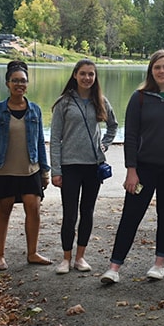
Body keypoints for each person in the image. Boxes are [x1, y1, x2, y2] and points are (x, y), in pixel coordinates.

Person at [100, 49, 164, 284]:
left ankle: (159, 264)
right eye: (157, 67)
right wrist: (131, 170)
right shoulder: (140, 97)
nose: (162, 71)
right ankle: (114, 268)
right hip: (144, 169)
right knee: (131, 216)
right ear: (151, 71)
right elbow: (131, 136)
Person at [0, 60, 52, 271]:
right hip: (3, 170)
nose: (19, 85)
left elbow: (40, 141)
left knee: (34, 209)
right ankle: (0, 255)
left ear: (28, 84)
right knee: (4, 211)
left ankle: (32, 253)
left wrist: (45, 170)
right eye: (15, 81)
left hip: (30, 169)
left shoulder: (35, 111)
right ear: (7, 83)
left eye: (23, 81)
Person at [50, 59, 118, 275]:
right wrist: (56, 170)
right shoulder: (64, 103)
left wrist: (105, 144)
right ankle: (65, 258)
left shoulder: (101, 101)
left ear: (95, 77)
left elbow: (113, 125)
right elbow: (54, 139)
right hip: (70, 165)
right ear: (75, 75)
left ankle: (80, 257)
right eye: (83, 74)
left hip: (92, 166)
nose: (87, 78)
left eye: (91, 74)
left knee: (87, 212)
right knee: (69, 213)